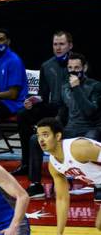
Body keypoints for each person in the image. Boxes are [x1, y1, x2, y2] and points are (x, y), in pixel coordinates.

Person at [36, 117, 101, 235]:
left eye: (45, 135)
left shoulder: (79, 148)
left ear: (58, 136)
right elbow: (62, 199)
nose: (41, 139)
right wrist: (59, 232)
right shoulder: (54, 165)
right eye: (39, 136)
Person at [19, 30, 70, 193]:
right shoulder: (46, 66)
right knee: (23, 115)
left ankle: (63, 168)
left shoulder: (76, 63)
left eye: (62, 44)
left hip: (70, 108)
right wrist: (32, 101)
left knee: (59, 116)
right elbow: (42, 94)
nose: (58, 47)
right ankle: (27, 163)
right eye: (55, 44)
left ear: (70, 45)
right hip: (51, 107)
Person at [59, 53, 101, 140]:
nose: (73, 71)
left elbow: (90, 112)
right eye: (70, 68)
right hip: (70, 128)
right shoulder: (65, 87)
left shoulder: (95, 85)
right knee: (35, 139)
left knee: (86, 142)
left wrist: (76, 88)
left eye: (77, 68)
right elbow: (62, 112)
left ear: (84, 68)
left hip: (90, 128)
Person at [0, 28, 27, 122]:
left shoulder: (14, 61)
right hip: (2, 102)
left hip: (14, 105)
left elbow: (13, 94)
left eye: (1, 39)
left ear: (8, 41)